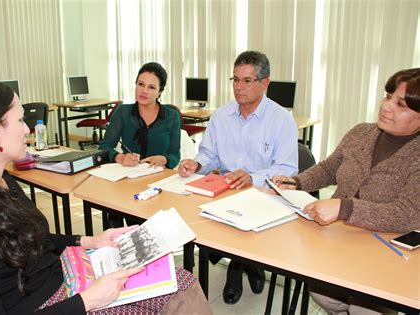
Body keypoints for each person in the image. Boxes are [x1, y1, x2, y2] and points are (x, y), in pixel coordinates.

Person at [0, 77, 212, 314]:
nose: (27, 129)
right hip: (54, 303)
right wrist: (89, 300)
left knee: (182, 281)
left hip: (65, 279)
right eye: (19, 120)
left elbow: (34, 238)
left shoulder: (4, 181)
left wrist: (90, 240)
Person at [272, 68, 420, 315]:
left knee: (366, 311)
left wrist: (345, 207)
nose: (386, 107)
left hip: (387, 256)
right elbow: (329, 169)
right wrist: (297, 182)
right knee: (321, 292)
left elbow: (409, 213)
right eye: (387, 96)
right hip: (339, 242)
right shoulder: (361, 132)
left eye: (401, 104)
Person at [178, 51, 299, 304]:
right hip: (225, 190)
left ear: (265, 83)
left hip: (264, 195)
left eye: (246, 81)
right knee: (197, 218)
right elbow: (209, 154)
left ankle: (240, 266)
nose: (238, 87)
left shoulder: (282, 120)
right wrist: (196, 163)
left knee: (244, 226)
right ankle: (243, 264)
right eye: (235, 79)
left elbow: (287, 168)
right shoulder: (221, 116)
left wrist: (253, 178)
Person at [99, 62, 181, 228]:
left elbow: (174, 155)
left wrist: (164, 159)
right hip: (127, 182)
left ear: (160, 92)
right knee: (121, 219)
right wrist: (119, 157)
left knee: (154, 230)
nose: (144, 91)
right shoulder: (123, 112)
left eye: (151, 87)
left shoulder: (171, 116)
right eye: (140, 84)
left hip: (158, 185)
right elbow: (104, 146)